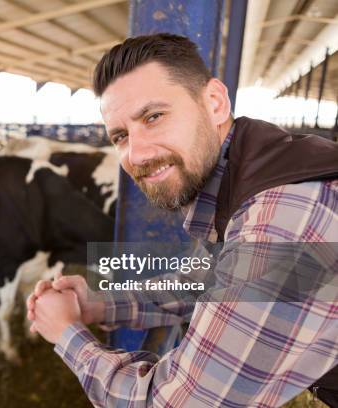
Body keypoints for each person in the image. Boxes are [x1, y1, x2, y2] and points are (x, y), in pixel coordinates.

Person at [26, 33, 338, 407]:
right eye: (121, 136)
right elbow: (203, 282)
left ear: (215, 102)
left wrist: (66, 333)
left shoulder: (282, 222)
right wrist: (99, 303)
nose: (137, 154)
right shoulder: (249, 176)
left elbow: (180, 402)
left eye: (154, 116)